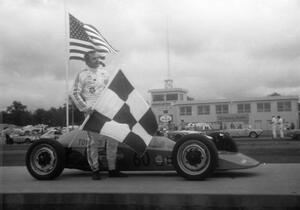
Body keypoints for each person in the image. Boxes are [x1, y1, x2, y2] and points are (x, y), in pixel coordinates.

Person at [71, 50, 127, 180]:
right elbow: (74, 93)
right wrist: (85, 107)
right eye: (94, 59)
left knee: (113, 139)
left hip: (107, 110)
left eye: (97, 58)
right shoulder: (82, 75)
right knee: (93, 142)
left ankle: (112, 169)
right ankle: (95, 169)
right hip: (92, 111)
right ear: (87, 61)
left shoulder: (104, 73)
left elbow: (112, 90)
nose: (97, 60)